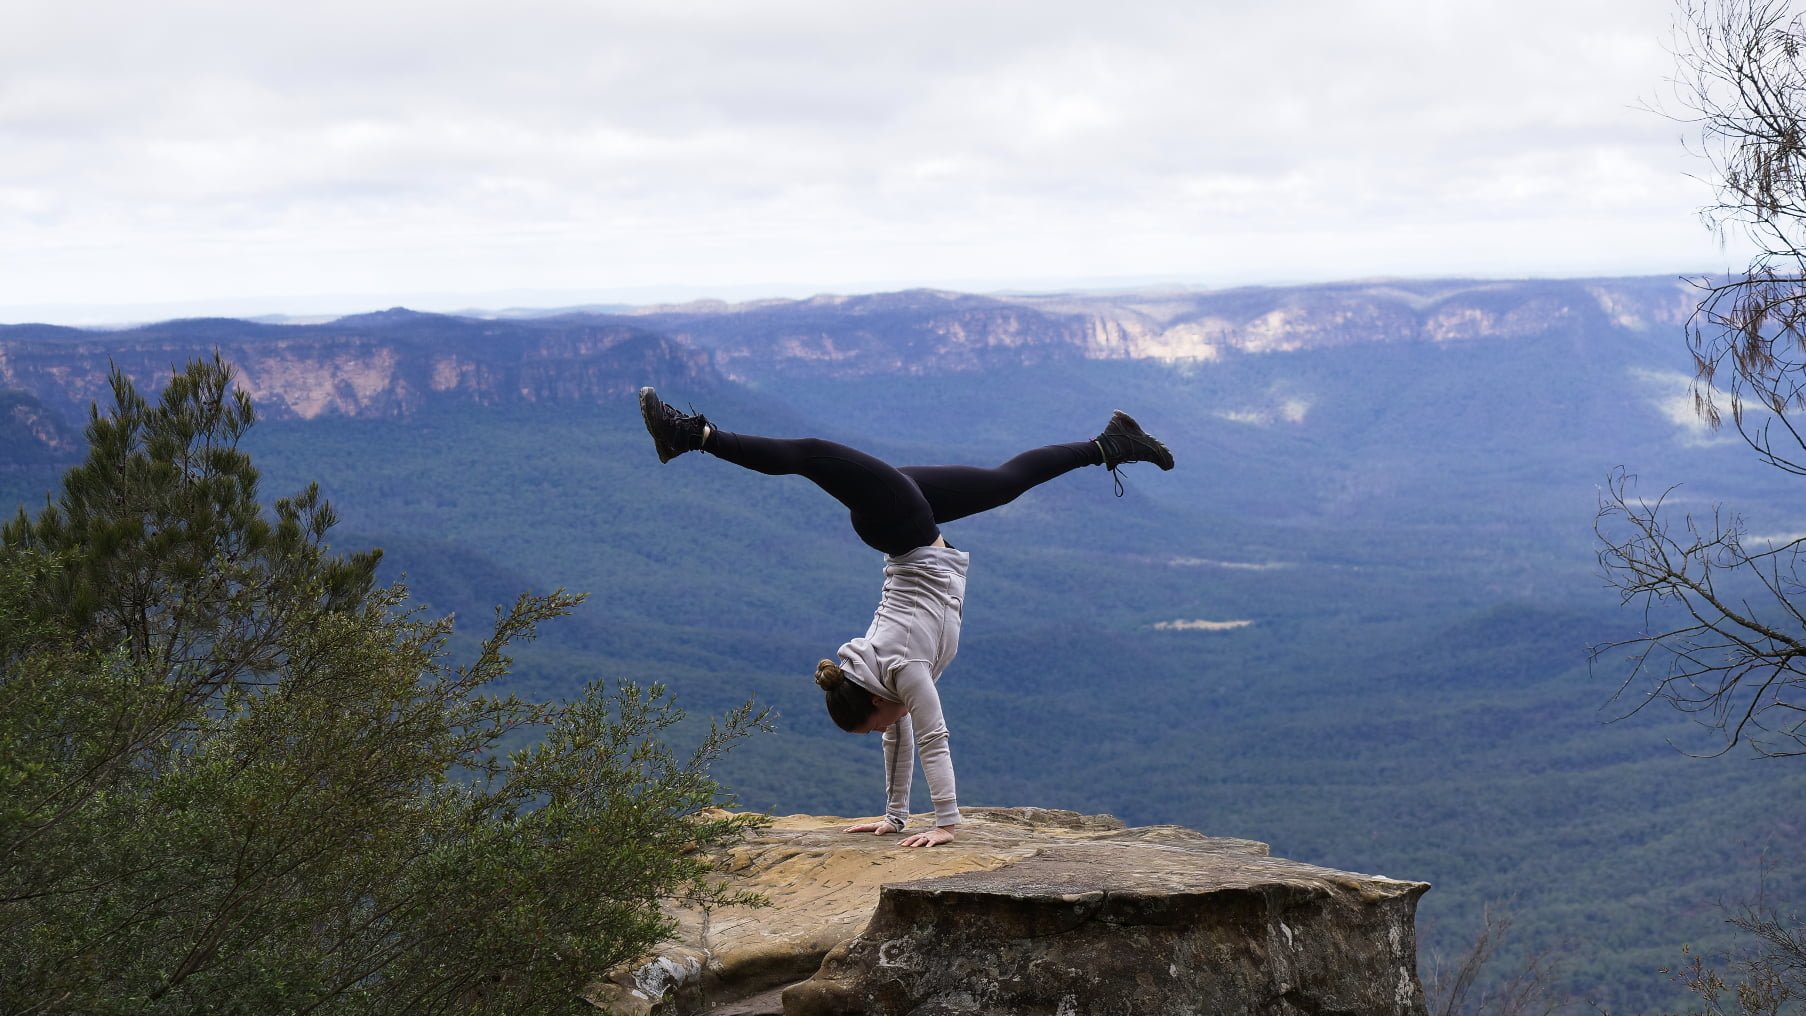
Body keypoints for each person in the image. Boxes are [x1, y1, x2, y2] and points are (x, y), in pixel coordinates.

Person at [637, 387, 1174, 847]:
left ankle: (692, 435)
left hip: (901, 528)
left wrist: (946, 823)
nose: (885, 731)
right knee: (1004, 482)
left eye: (875, 723)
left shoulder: (900, 668)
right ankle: (1111, 442)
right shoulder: (883, 683)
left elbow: (932, 737)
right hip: (906, 533)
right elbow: (901, 740)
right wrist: (894, 818)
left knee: (811, 453)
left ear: (875, 699)